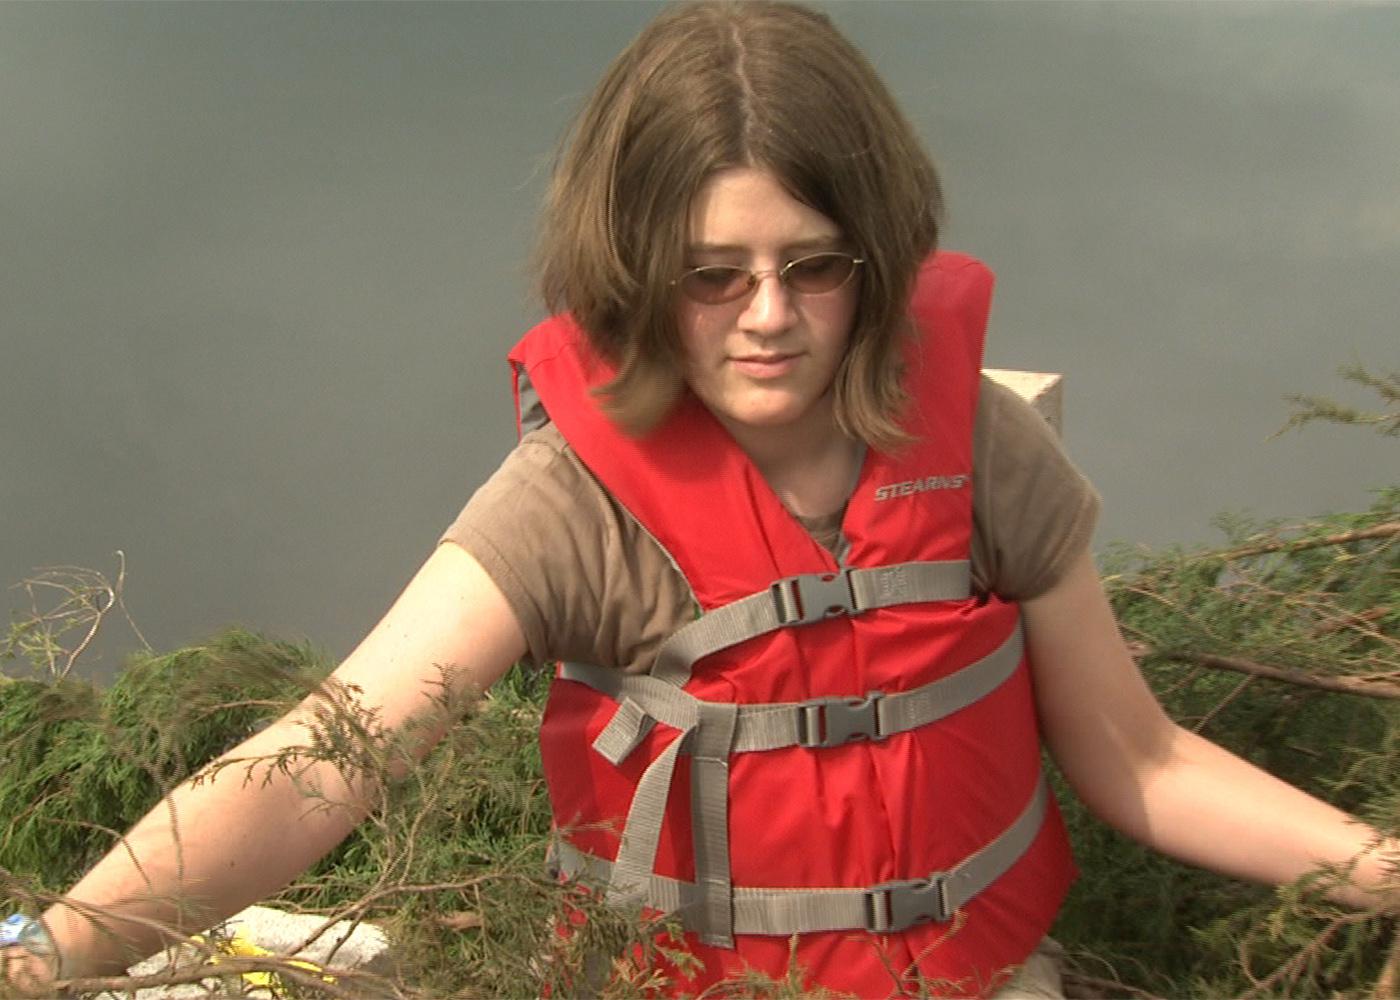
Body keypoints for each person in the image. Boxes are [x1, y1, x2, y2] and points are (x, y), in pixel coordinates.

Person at [3, 2, 1395, 997]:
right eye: (714, 273)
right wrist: (53, 949)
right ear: (631, 266)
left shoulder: (975, 450)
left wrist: (1378, 866)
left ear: (884, 253)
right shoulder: (571, 508)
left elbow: (1139, 762)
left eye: (818, 266)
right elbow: (321, 762)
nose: (771, 319)